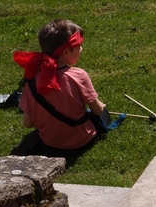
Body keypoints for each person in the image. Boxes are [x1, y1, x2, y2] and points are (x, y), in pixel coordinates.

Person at [10, 19, 106, 156]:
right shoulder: (79, 75)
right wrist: (101, 106)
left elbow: (27, 123)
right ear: (66, 52)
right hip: (82, 139)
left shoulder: (31, 80)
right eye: (79, 46)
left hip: (50, 142)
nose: (82, 49)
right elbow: (97, 110)